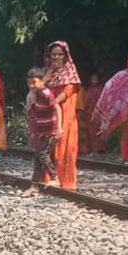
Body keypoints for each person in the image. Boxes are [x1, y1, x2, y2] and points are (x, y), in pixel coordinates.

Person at [94, 54, 128, 167]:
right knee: (127, 134)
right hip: (127, 113)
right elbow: (111, 87)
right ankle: (126, 157)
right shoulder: (123, 76)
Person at [44, 41, 82, 190]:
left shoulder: (71, 71)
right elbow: (39, 87)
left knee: (64, 146)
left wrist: (53, 102)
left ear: (65, 56)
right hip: (49, 114)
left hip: (66, 116)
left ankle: (65, 180)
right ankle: (50, 177)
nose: (57, 57)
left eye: (60, 54)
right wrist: (50, 71)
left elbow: (68, 91)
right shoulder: (47, 71)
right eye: (54, 54)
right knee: (49, 146)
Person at [22, 68, 63, 198]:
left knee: (42, 154)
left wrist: (59, 127)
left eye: (34, 82)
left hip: (50, 131)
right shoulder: (37, 94)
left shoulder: (45, 93)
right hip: (42, 132)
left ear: (42, 81)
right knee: (38, 158)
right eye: (29, 83)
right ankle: (34, 186)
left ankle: (55, 177)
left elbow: (57, 108)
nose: (31, 85)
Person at [78, 74, 105, 155]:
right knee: (89, 132)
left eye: (95, 79)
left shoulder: (101, 90)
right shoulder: (88, 90)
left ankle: (99, 149)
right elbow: (85, 102)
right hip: (88, 114)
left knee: (98, 131)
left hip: (98, 114)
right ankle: (91, 149)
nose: (94, 81)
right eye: (92, 79)